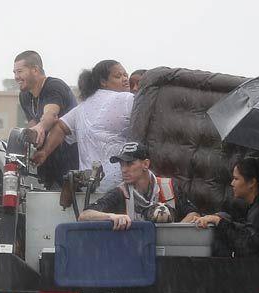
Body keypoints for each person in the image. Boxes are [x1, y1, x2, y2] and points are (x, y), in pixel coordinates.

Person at [35, 60, 133, 194]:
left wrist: (45, 152)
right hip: (121, 185)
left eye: (126, 75)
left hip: (89, 186)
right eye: (118, 76)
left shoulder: (82, 107)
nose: (125, 79)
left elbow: (60, 127)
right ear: (103, 82)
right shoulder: (127, 99)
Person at [79, 142, 200, 229]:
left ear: (145, 164)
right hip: (135, 253)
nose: (124, 170)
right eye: (122, 165)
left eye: (129, 164)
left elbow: (193, 213)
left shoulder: (169, 186)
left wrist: (174, 233)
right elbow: (84, 216)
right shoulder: (119, 193)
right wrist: (112, 217)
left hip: (169, 254)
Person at [194, 155, 259, 258]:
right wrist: (217, 218)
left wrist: (219, 221)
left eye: (236, 178)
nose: (232, 183)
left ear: (251, 183)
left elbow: (247, 245)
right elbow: (246, 230)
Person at [13, 50, 79, 189]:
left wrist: (40, 127)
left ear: (35, 70)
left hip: (72, 166)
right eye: (14, 73)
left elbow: (50, 115)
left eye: (20, 71)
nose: (16, 77)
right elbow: (32, 124)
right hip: (46, 165)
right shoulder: (25, 96)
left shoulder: (54, 86)